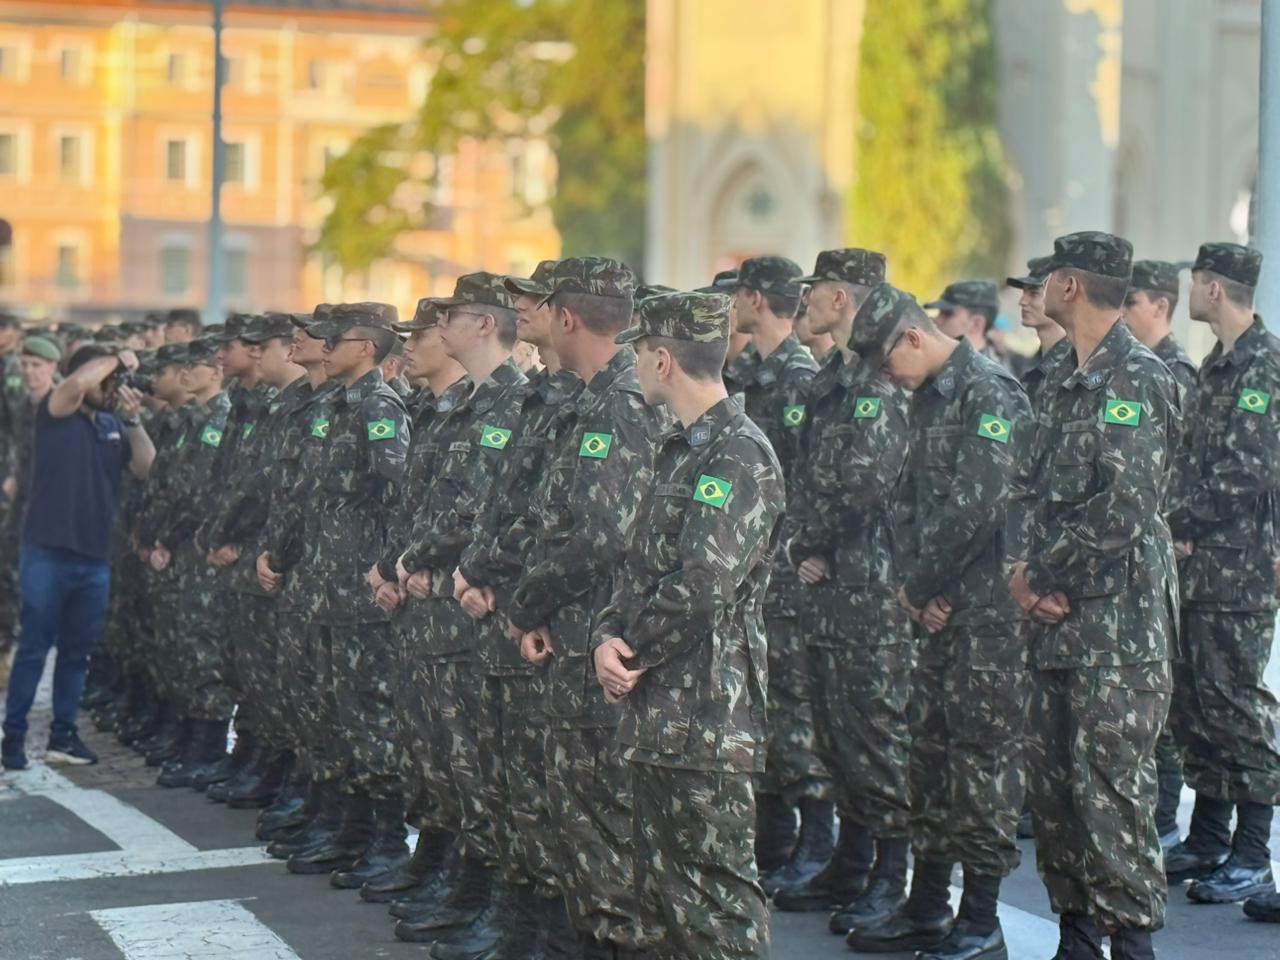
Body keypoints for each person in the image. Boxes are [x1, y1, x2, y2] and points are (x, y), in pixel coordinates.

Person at [593, 289, 784, 960]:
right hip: (657, 708)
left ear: (663, 360)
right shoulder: (678, 446)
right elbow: (636, 567)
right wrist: (607, 636)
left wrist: (629, 648)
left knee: (715, 903)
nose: (633, 365)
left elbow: (703, 584)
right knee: (661, 899)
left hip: (707, 713)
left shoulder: (738, 453)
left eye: (639, 352)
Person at [1009, 231, 1180, 960]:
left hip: (1117, 631)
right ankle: (1076, 940)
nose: (1038, 289)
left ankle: (1133, 946)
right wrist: (1021, 575)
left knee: (1112, 792)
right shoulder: (1060, 376)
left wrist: (1040, 576)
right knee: (1057, 796)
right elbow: (1025, 490)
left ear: (1071, 286)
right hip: (1055, 624)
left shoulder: (1135, 378)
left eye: (1048, 277)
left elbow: (1125, 507)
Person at [847, 283, 1030, 960]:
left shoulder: (989, 393)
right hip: (934, 612)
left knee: (981, 762)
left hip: (985, 618)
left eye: (886, 360)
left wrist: (925, 585)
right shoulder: (925, 398)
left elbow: (979, 506)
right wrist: (913, 589)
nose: (886, 376)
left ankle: (981, 919)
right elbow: (906, 504)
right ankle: (926, 905)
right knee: (926, 755)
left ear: (913, 337)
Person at [507, 257, 663, 959]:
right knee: (578, 811)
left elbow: (602, 535)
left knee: (604, 815)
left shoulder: (621, 403)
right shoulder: (594, 398)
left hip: (602, 637)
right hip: (575, 632)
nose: (531, 317)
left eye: (541, 305)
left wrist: (527, 603)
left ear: (566, 317)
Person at [774, 249, 914, 936]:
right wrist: (806, 545)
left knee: (875, 728)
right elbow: (807, 477)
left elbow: (867, 483)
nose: (806, 302)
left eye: (817, 291)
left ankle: (891, 870)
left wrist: (809, 543)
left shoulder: (879, 377)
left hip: (870, 584)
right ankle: (851, 859)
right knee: (835, 729)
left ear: (841, 297)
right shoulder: (833, 376)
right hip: (829, 583)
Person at [386, 274, 528, 947]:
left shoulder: (512, 403)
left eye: (450, 317)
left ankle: (482, 892)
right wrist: (406, 562)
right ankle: (456, 876)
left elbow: (485, 508)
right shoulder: (459, 404)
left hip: (473, 608)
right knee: (442, 754)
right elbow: (426, 503)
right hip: (435, 601)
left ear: (484, 325)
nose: (436, 329)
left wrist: (411, 560)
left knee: (478, 762)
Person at [1164, 243, 1280, 906]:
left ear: (1215, 288)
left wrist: (1178, 522)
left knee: (1237, 705)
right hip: (1202, 566)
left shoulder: (1262, 365)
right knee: (1199, 702)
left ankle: (1254, 853)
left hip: (1237, 571)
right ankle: (1209, 837)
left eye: (1197, 281)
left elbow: (1246, 471)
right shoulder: (1219, 363)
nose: (1191, 291)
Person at [726, 255, 832, 891]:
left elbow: (810, 479)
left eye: (737, 295)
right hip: (748, 568)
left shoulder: (799, 377)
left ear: (755, 299)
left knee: (796, 707)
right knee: (759, 705)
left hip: (788, 571)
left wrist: (798, 549)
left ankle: (814, 838)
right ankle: (772, 835)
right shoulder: (745, 374)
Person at [1, 345, 155, 770]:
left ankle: (63, 736)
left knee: (76, 654)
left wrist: (134, 420)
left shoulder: (111, 424)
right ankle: (13, 737)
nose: (112, 389)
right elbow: (75, 384)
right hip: (47, 554)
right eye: (106, 382)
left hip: (94, 558)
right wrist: (120, 359)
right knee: (34, 650)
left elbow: (146, 466)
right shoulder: (56, 412)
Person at [1120, 259, 1199, 851]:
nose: (1122, 312)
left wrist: (1180, 525)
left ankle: (1167, 819)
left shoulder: (1170, 371)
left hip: (1174, 552)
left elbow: (1185, 465)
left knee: (1168, 700)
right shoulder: (1129, 367)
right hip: (1148, 549)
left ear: (1159, 306)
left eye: (1132, 301)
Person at [925, 280, 1020, 372]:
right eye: (939, 313)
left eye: (947, 314)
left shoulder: (987, 376)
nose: (936, 320)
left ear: (976, 324)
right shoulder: (945, 361)